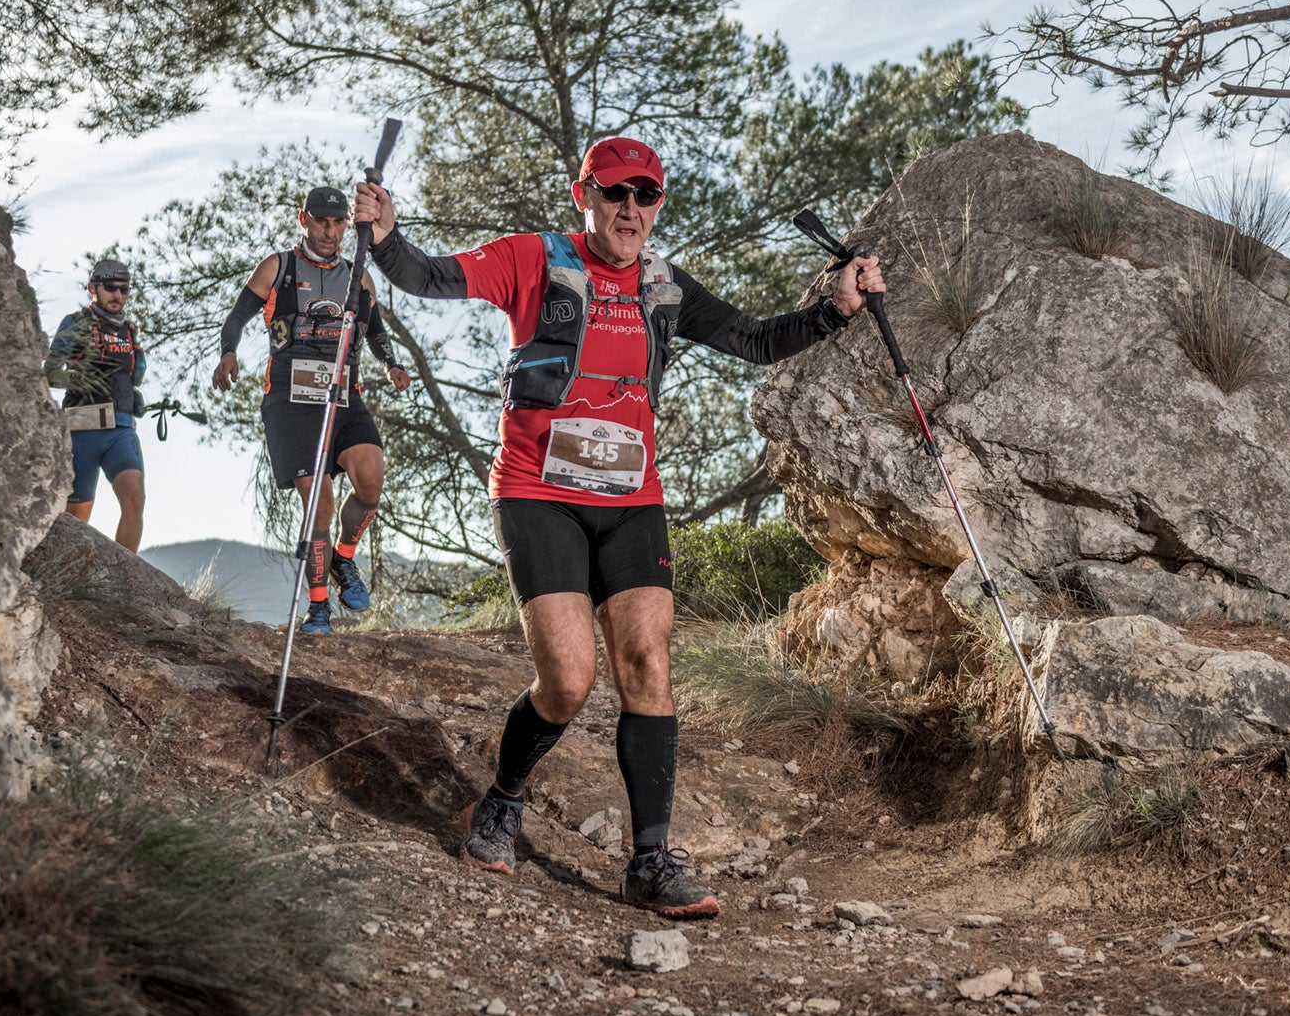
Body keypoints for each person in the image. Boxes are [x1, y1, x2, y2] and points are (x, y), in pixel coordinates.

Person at [353, 137, 884, 919]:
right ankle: (501, 800)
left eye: (646, 196)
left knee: (648, 660)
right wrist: (385, 238)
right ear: (585, 196)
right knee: (568, 681)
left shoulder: (665, 286)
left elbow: (756, 340)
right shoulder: (534, 259)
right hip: (539, 490)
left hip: (631, 496)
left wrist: (837, 309)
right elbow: (430, 277)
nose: (631, 209)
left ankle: (651, 860)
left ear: (658, 205)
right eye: (615, 193)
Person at [215, 186, 411, 634]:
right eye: (321, 221)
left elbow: (375, 331)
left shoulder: (359, 276)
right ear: (304, 220)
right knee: (318, 503)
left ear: (347, 224)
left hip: (343, 393)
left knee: (371, 475)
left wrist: (392, 363)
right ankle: (319, 607)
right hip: (289, 399)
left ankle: (343, 559)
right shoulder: (278, 266)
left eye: (338, 222)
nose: (330, 230)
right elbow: (236, 318)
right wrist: (229, 353)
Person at [47, 258, 148, 552]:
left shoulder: (129, 331)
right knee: (76, 518)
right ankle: (67, 582)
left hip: (121, 430)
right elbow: (50, 372)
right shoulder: (76, 323)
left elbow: (132, 375)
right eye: (110, 288)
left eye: (124, 289)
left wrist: (133, 396)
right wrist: (82, 383)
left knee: (135, 499)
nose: (117, 295)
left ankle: (128, 578)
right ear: (93, 288)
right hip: (82, 430)